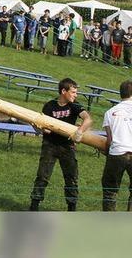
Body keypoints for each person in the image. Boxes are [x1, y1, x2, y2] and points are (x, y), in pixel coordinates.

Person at [29, 78, 93, 211]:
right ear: (64, 91)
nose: (76, 95)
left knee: (71, 178)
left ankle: (71, 208)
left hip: (67, 147)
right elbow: (45, 129)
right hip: (50, 145)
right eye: (73, 92)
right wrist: (37, 127)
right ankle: (34, 207)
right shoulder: (50, 106)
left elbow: (88, 119)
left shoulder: (74, 105)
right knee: (42, 176)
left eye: (76, 92)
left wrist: (79, 132)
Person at [101, 80, 132, 211]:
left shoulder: (109, 112)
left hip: (116, 153)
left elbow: (109, 139)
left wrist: (107, 152)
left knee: (110, 191)